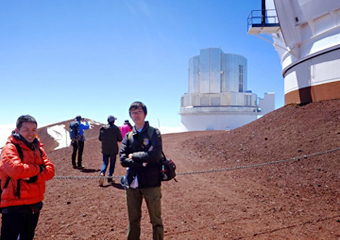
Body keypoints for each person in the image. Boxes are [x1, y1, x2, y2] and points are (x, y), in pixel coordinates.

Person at [0, 115, 55, 240]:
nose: (31, 134)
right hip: (14, 206)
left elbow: (50, 171)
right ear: (17, 130)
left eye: (34, 130)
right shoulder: (10, 148)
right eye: (26, 130)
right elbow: (16, 170)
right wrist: (39, 169)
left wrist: (31, 176)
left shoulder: (38, 149)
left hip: (34, 205)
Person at [119, 101, 164, 240]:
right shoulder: (128, 136)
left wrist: (134, 156)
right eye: (133, 113)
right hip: (132, 183)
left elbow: (156, 155)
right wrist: (143, 161)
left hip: (151, 182)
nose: (136, 115)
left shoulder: (154, 132)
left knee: (156, 220)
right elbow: (122, 159)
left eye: (138, 112)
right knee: (133, 220)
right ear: (130, 115)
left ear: (145, 114)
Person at [98, 115, 122, 186]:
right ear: (113, 121)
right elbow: (120, 139)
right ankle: (110, 178)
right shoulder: (116, 128)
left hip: (105, 148)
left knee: (105, 162)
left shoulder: (102, 128)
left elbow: (100, 138)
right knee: (112, 163)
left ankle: (102, 173)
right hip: (113, 149)